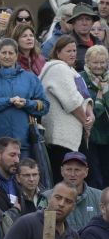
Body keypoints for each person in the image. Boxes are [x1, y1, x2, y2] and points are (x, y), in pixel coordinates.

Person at [0, 38, 49, 160]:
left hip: (23, 143)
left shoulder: (30, 79)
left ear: (17, 56)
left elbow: (45, 106)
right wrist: (7, 101)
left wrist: (27, 103)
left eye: (11, 53)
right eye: (3, 53)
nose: (7, 56)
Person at [40, 36, 92, 182]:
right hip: (61, 139)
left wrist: (90, 113)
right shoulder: (58, 68)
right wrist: (86, 122)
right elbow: (72, 101)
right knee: (64, 181)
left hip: (73, 136)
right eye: (68, 50)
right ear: (57, 52)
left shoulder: (70, 70)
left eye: (75, 50)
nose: (73, 54)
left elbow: (85, 96)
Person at [83, 45, 109, 189]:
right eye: (95, 62)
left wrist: (103, 94)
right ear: (87, 62)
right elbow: (90, 110)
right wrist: (98, 103)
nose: (99, 66)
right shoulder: (81, 78)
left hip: (107, 136)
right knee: (95, 177)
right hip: (90, 136)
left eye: (102, 62)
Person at [71, 3, 104, 70]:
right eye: (80, 19)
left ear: (92, 22)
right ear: (73, 23)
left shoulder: (99, 43)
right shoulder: (67, 44)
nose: (84, 23)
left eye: (88, 19)